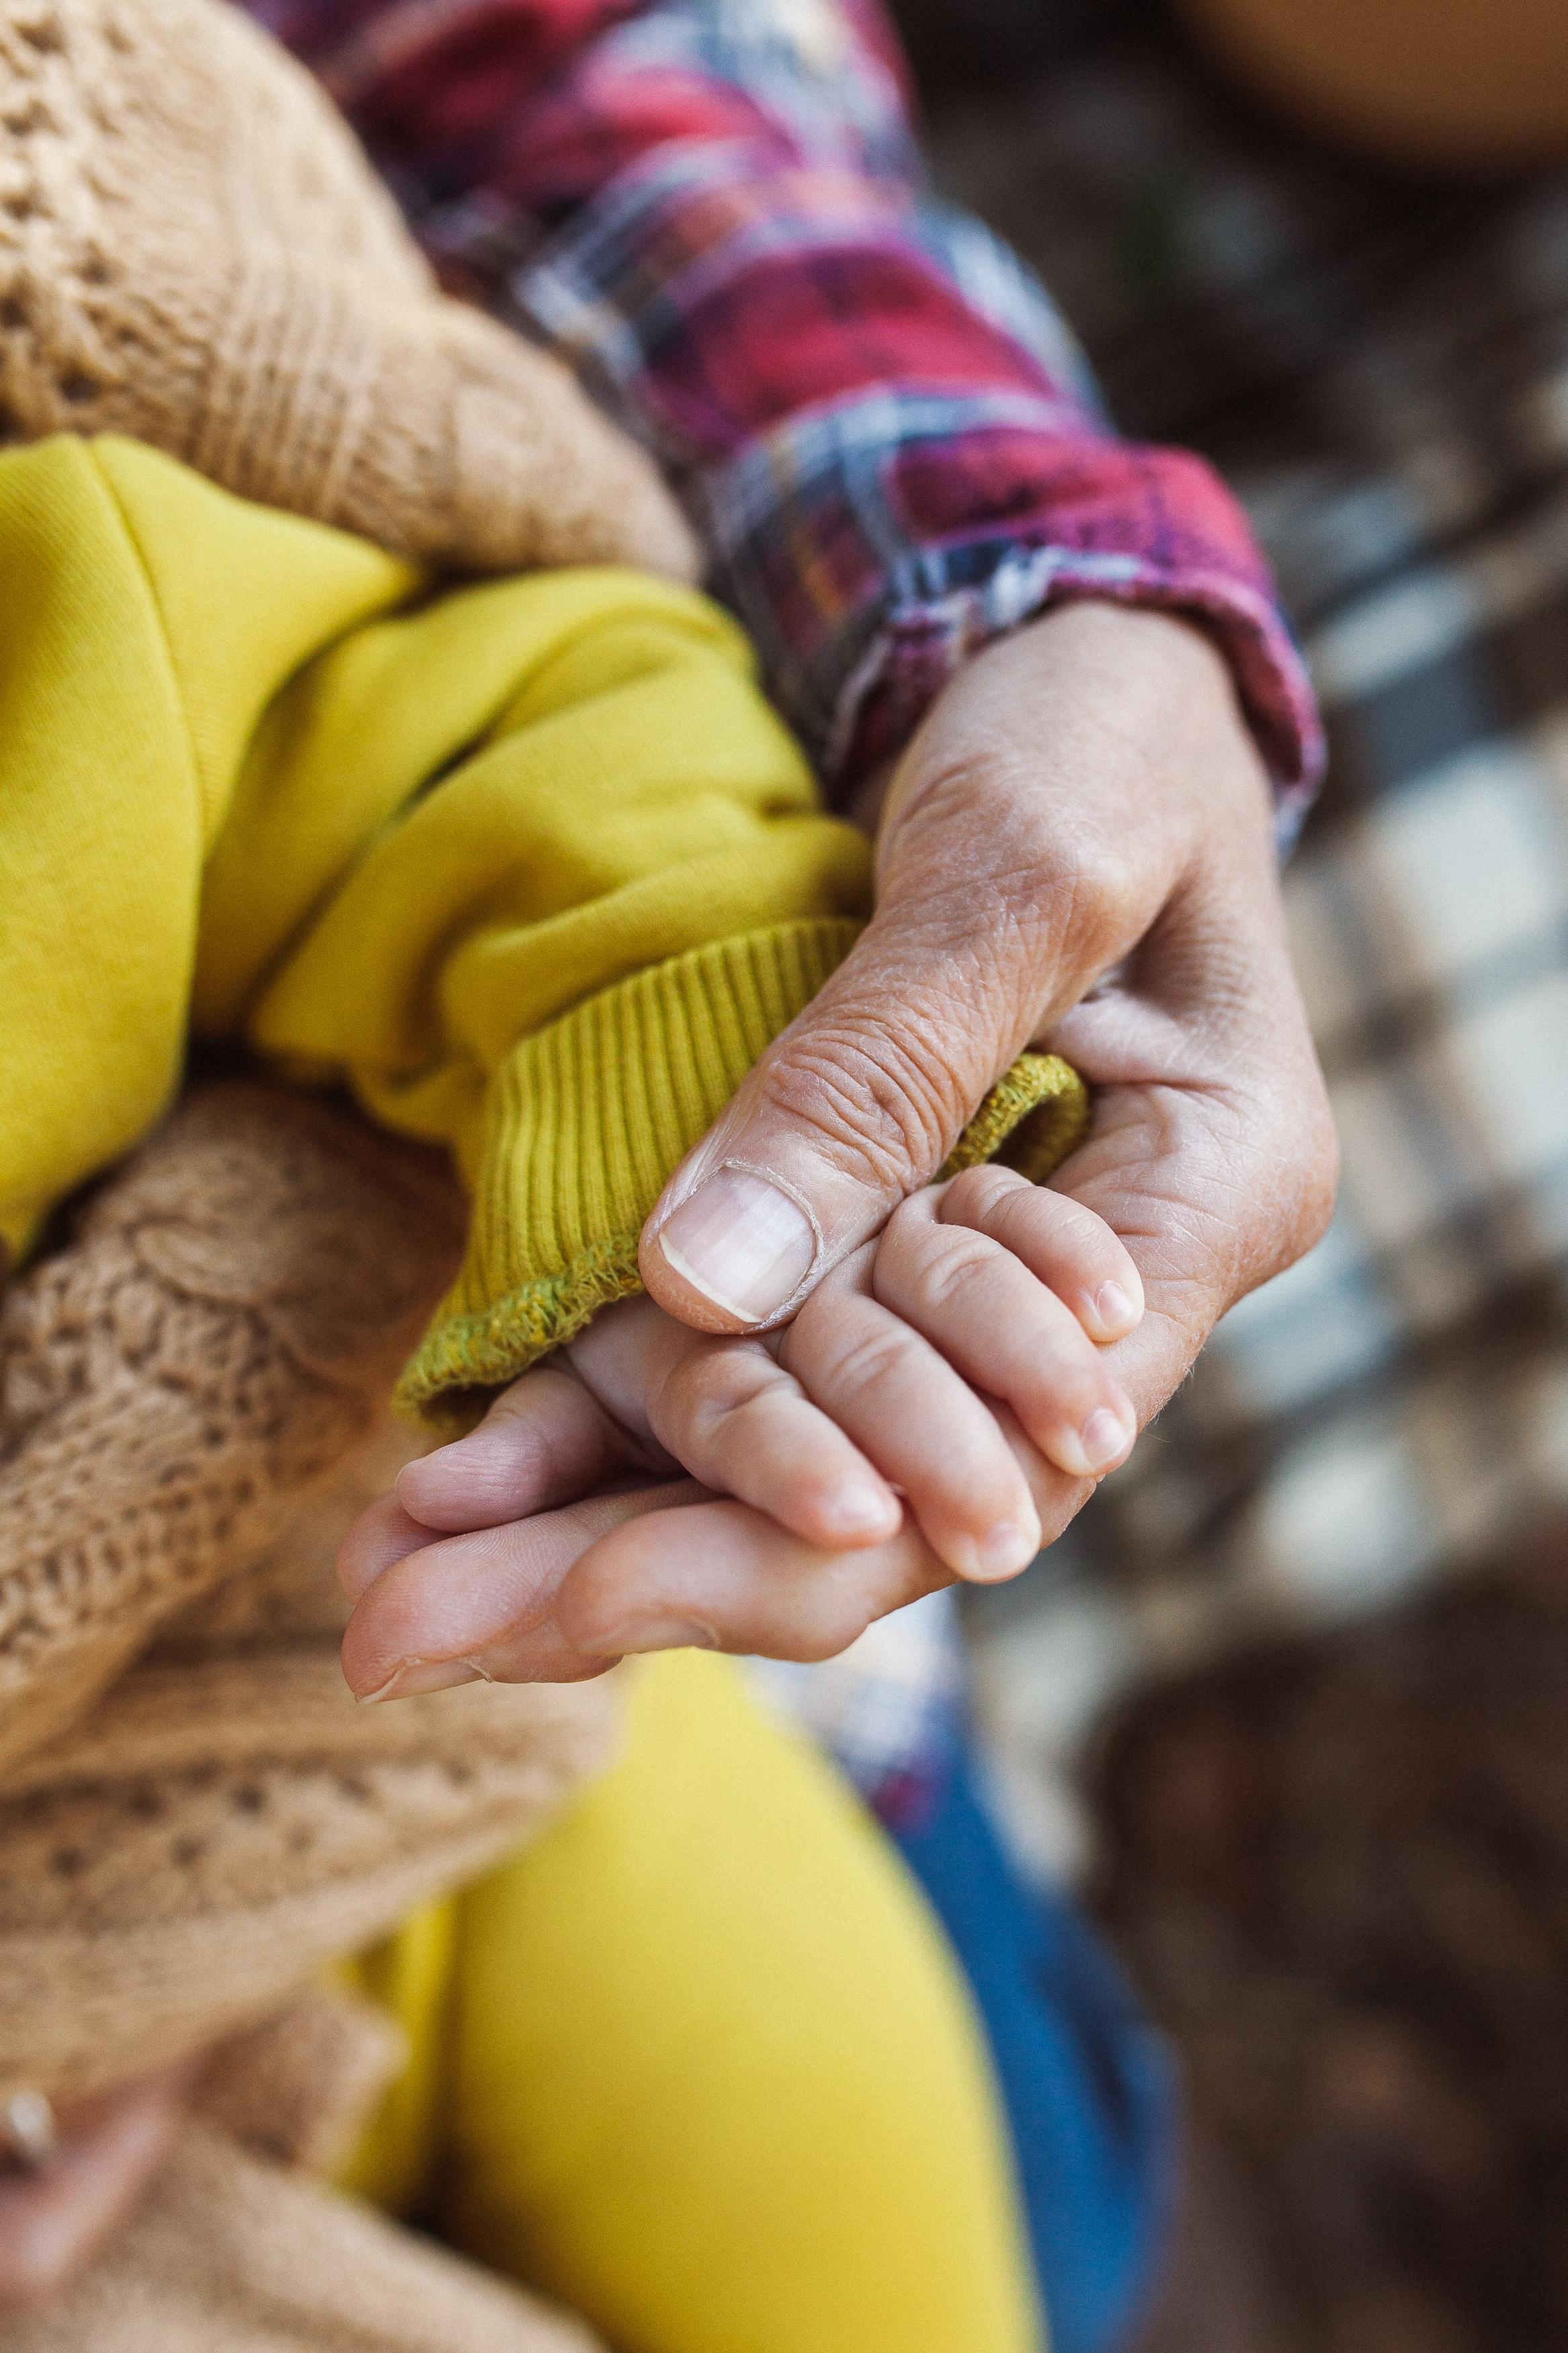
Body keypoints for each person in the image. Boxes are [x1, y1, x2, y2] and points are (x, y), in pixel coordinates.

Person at [0, 4, 1335, 2350]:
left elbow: (419, 716)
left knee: (872, 2143)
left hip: (324, 1687)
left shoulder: (74, 534)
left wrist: (713, 1088)